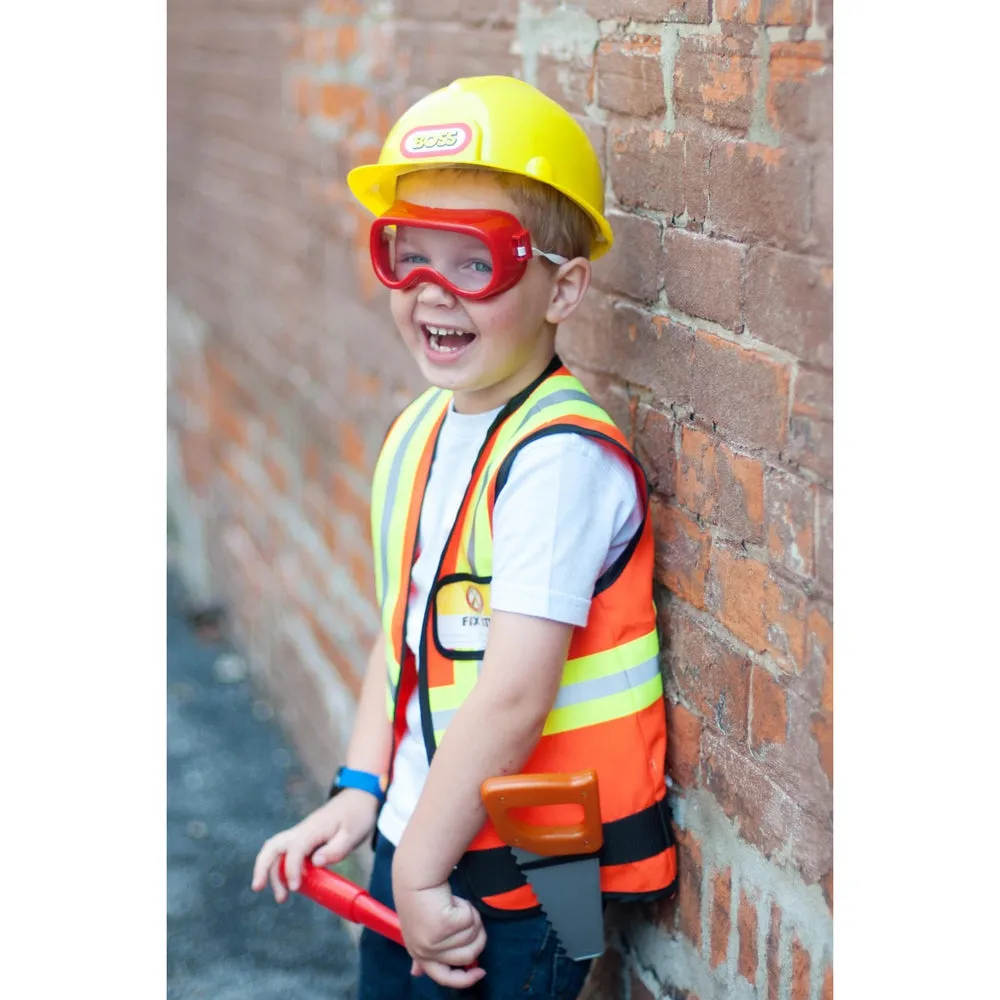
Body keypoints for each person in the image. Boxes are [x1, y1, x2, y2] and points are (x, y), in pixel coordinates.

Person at [252, 75, 677, 999]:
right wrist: (361, 792)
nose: (431, 293)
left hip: (518, 875)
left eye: (474, 262)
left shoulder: (558, 461)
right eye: (408, 255)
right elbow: (402, 635)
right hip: (420, 839)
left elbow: (515, 694)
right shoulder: (426, 428)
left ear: (562, 286)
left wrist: (416, 873)